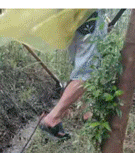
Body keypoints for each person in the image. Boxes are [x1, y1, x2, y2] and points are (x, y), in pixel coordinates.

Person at [39, 10, 108, 140]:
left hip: (72, 17)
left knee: (81, 67)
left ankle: (88, 115)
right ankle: (53, 118)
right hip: (89, 17)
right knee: (87, 74)